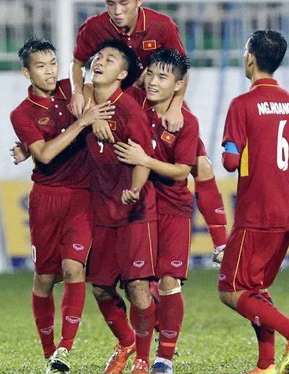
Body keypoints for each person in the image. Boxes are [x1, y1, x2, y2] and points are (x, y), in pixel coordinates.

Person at [70, 0, 229, 258]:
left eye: (124, 3)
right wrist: (80, 93)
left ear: (139, 1)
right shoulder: (94, 27)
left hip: (159, 101)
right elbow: (78, 63)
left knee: (202, 165)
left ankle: (221, 244)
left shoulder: (161, 26)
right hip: (122, 105)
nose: (117, 11)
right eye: (110, 3)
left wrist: (176, 107)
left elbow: (181, 69)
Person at [218, 30, 289, 374]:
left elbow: (230, 162)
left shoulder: (242, 104)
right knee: (255, 288)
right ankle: (265, 365)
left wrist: (232, 149)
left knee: (230, 290)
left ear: (250, 58)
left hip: (256, 213)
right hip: (286, 211)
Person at [9, 38, 114, 374]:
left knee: (73, 269)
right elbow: (44, 154)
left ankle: (64, 350)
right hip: (46, 199)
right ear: (27, 73)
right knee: (44, 278)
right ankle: (48, 351)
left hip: (83, 195)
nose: (50, 71)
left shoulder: (72, 90)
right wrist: (80, 123)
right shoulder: (22, 113)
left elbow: (99, 85)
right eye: (41, 66)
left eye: (53, 63)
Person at [113, 49, 200, 374]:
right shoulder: (135, 105)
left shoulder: (187, 122)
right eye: (150, 73)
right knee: (135, 284)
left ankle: (164, 359)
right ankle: (141, 353)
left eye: (162, 77)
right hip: (140, 206)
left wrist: (145, 160)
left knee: (168, 281)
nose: (152, 81)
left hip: (174, 207)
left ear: (178, 85)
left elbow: (181, 171)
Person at [81, 39, 157, 374]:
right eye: (98, 57)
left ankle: (143, 358)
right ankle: (127, 341)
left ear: (123, 74)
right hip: (101, 211)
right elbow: (72, 82)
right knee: (100, 287)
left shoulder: (128, 110)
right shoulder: (83, 104)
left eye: (110, 59)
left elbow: (143, 157)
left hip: (133, 211)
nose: (100, 61)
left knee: (137, 288)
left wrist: (135, 189)